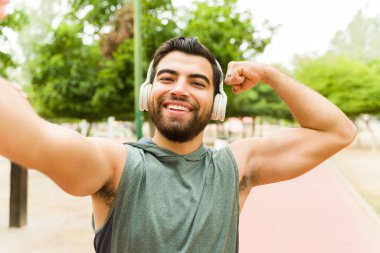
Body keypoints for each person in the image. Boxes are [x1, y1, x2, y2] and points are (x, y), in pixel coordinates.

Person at [1, 5, 356, 253]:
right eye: (167, 78)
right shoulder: (116, 165)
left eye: (197, 83)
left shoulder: (236, 166)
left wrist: (271, 75)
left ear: (217, 104)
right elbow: (33, 139)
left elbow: (338, 131)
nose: (179, 89)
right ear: (147, 93)